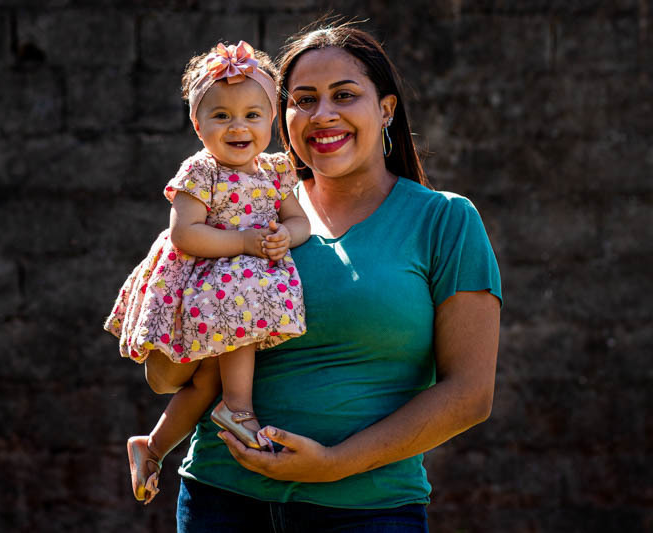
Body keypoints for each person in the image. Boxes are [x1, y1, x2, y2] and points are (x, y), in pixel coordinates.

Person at [175, 23, 502, 532]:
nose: (322, 114)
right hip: (220, 499)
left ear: (386, 110)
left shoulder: (445, 221)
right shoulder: (242, 216)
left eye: (344, 95)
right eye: (303, 99)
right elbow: (174, 367)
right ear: (281, 118)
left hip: (367, 511)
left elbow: (470, 395)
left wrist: (335, 463)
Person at [103, 41, 310, 504]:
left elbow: (300, 221)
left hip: (238, 289)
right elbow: (185, 234)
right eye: (222, 116)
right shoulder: (201, 171)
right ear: (198, 125)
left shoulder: (276, 172)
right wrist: (243, 241)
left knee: (208, 381)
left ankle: (153, 446)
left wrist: (284, 236)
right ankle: (239, 409)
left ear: (271, 121)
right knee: (222, 349)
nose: (238, 126)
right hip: (196, 282)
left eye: (252, 115)